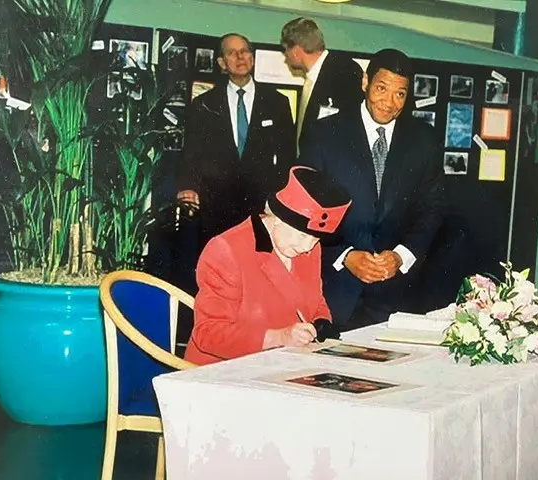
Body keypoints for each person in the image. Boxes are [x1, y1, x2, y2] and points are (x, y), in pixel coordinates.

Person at [298, 48, 445, 331]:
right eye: (381, 88)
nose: (389, 103)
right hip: (333, 288)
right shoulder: (323, 134)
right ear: (365, 82)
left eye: (400, 94)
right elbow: (306, 208)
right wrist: (345, 255)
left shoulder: (423, 140)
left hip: (397, 295)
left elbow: (433, 208)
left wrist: (402, 255)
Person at [185, 166, 352, 365]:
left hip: (283, 365)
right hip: (224, 372)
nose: (308, 247)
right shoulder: (226, 249)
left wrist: (321, 323)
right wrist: (278, 338)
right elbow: (208, 334)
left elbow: (315, 302)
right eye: (303, 235)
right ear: (277, 218)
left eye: (316, 239)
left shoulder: (307, 247)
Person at [177, 33, 295, 255]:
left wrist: (279, 201)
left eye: (245, 51)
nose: (240, 57)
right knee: (218, 267)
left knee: (257, 269)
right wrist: (188, 186)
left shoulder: (277, 102)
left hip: (261, 207)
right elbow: (191, 153)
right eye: (232, 53)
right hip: (216, 206)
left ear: (252, 57)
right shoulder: (204, 104)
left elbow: (287, 156)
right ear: (222, 62)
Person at [280, 17, 363, 154]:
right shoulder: (312, 78)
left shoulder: (345, 70)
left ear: (295, 50)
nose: (285, 57)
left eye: (285, 50)